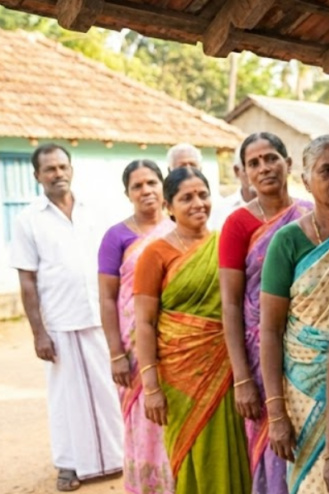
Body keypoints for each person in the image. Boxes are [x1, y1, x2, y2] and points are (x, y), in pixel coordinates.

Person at [10, 143, 124, 492]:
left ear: (71, 169)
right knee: (65, 399)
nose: (58, 174)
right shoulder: (28, 219)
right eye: (50, 169)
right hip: (59, 321)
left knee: (110, 392)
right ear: (37, 176)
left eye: (62, 167)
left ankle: (117, 458)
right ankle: (70, 465)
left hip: (101, 318)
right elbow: (27, 280)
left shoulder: (95, 210)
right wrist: (38, 332)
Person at [133, 167, 252, 493]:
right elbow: (143, 323)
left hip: (224, 366)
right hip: (179, 376)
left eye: (203, 194)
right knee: (190, 453)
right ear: (169, 206)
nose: (198, 203)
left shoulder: (224, 243)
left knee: (231, 447)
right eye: (186, 198)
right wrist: (151, 385)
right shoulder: (155, 254)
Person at [258, 135, 329, 494]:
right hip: (303, 385)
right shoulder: (287, 241)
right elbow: (270, 330)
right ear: (305, 180)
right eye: (328, 169)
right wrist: (276, 412)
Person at [220, 132, 312, 494]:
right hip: (261, 358)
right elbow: (230, 303)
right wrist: (242, 377)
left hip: (313, 350)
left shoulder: (310, 213)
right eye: (254, 163)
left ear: (288, 164)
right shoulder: (237, 225)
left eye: (271, 158)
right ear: (244, 173)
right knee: (271, 443)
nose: (264, 168)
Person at [98, 160, 177, 494]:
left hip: (177, 344)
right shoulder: (116, 236)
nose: (146, 191)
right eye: (137, 186)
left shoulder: (179, 229)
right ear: (127, 194)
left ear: (163, 187)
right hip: (134, 348)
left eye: (151, 183)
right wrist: (116, 353)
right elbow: (106, 297)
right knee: (144, 420)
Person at [210, 145, 258, 230]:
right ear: (236, 171)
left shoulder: (286, 209)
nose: (260, 172)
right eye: (252, 165)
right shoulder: (220, 211)